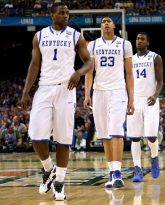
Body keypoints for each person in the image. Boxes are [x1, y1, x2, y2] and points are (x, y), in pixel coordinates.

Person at [20, 2, 92, 201]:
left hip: (66, 88)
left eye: (68, 13)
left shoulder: (76, 36)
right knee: (35, 134)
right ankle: (48, 169)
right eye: (62, 12)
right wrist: (26, 92)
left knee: (63, 139)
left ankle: (59, 183)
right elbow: (34, 65)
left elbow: (89, 61)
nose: (66, 15)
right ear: (52, 14)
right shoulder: (40, 36)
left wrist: (78, 73)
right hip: (44, 87)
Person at [84, 16, 134, 189]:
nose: (106, 23)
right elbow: (89, 72)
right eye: (103, 21)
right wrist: (87, 94)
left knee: (117, 132)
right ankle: (112, 172)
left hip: (118, 91)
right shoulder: (92, 45)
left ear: (114, 25)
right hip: (98, 92)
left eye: (108, 21)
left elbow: (129, 74)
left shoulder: (124, 44)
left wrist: (131, 98)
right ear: (100, 27)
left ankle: (118, 172)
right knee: (104, 135)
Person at [126, 32, 163, 182]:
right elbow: (127, 80)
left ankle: (154, 159)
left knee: (151, 136)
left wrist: (155, 95)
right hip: (135, 100)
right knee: (135, 138)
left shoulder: (155, 57)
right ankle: (137, 169)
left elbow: (160, 81)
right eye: (137, 38)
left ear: (148, 42)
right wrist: (128, 100)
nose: (139, 41)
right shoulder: (130, 59)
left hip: (150, 99)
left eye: (142, 39)